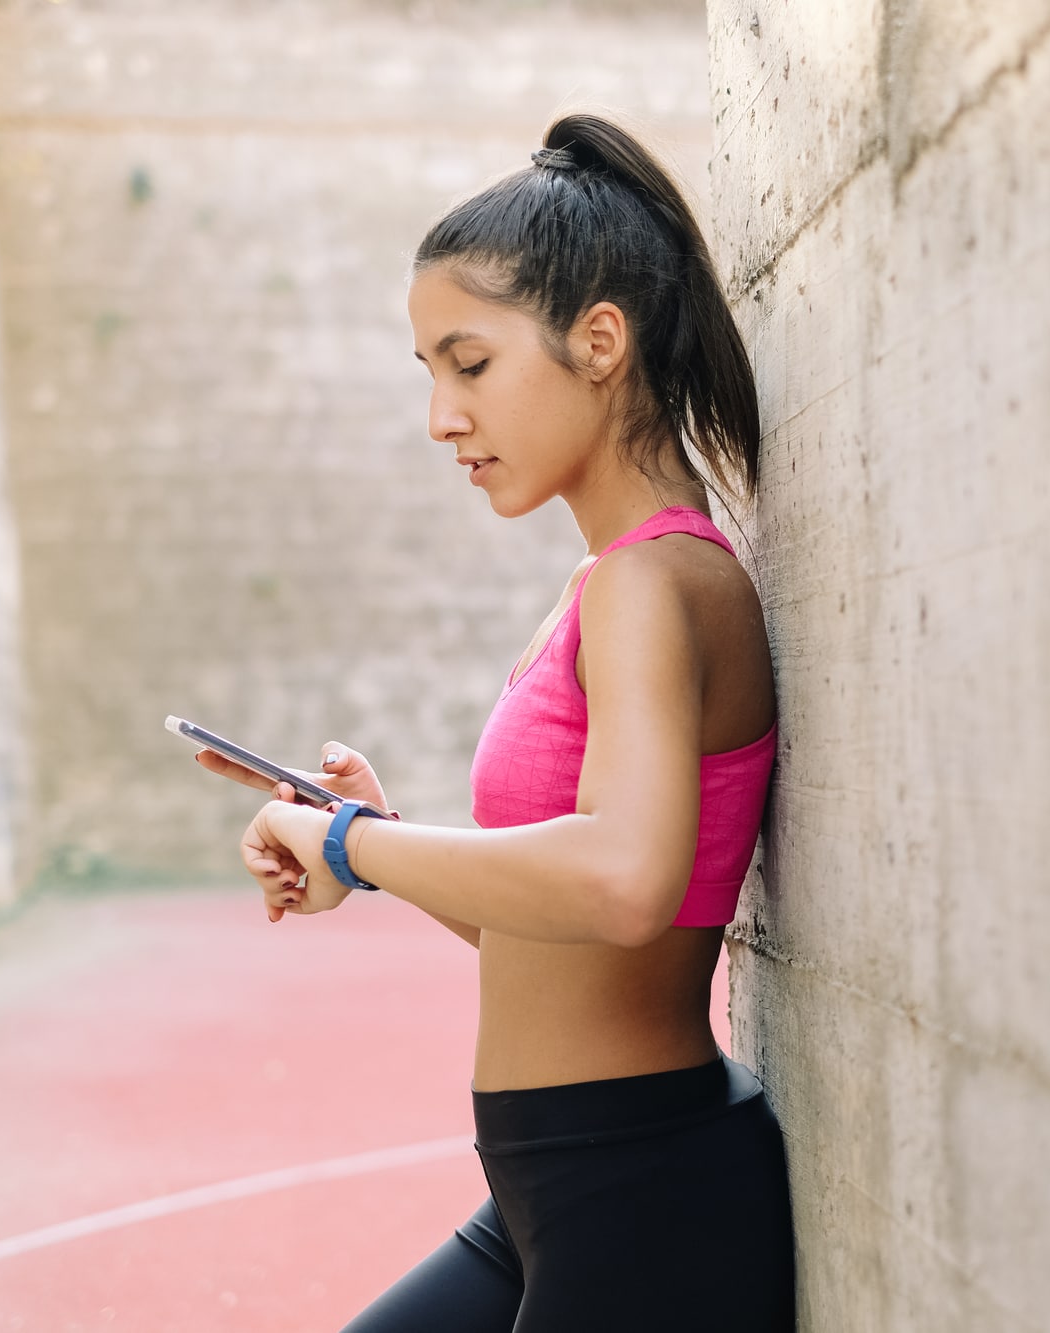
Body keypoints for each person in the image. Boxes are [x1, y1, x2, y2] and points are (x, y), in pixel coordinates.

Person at [196, 113, 795, 1331]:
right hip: (553, 1191)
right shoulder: (601, 589)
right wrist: (376, 849)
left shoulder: (652, 584)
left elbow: (625, 880)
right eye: (429, 375)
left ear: (598, 342)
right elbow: (565, 932)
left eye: (468, 365)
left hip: (643, 1193)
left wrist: (351, 847)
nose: (442, 419)